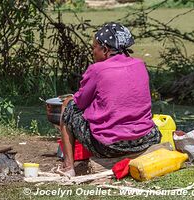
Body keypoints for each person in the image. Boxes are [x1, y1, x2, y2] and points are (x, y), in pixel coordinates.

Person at [59, 22, 162, 177]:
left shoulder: (97, 70)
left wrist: (72, 101)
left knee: (68, 105)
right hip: (147, 138)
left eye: (94, 48)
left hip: (110, 145)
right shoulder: (140, 65)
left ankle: (68, 167)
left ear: (105, 50)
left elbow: (79, 103)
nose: (92, 52)